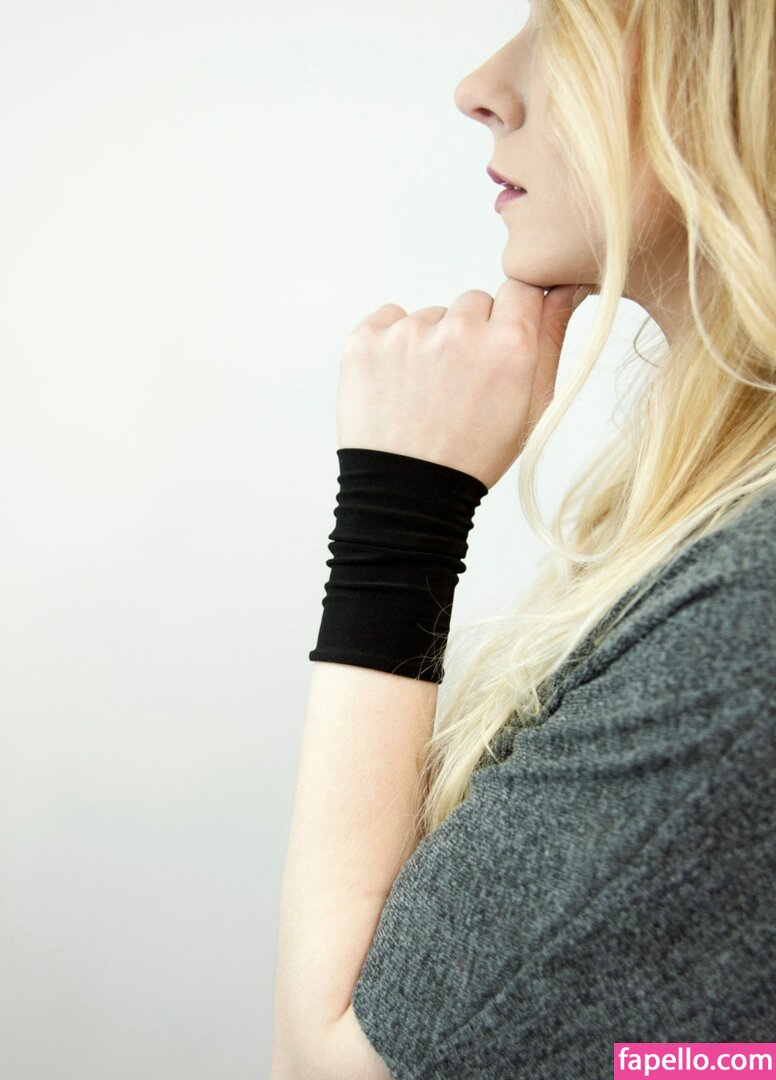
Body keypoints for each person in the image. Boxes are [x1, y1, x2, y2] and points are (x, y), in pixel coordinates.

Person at [271, 0, 776, 1076]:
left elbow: (331, 1065)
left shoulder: (752, 619)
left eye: (566, 26)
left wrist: (399, 512)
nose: (482, 90)